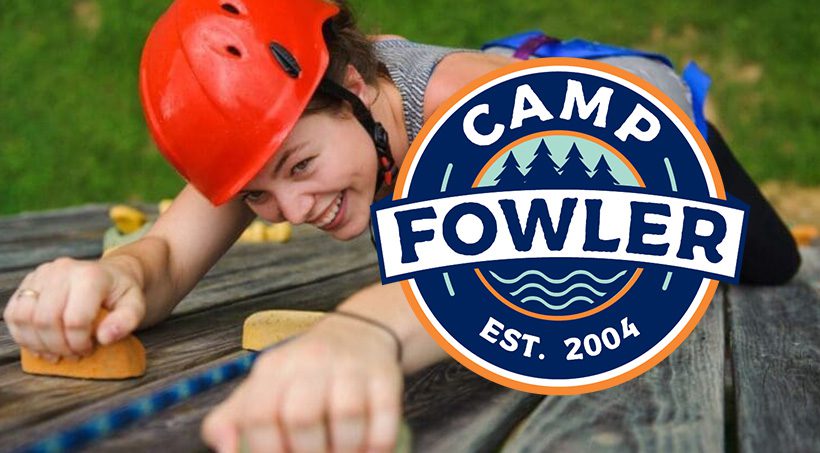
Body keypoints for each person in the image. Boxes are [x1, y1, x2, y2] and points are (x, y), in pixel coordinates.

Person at [4, 0, 800, 451]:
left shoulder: (468, 106)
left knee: (765, 265)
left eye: (302, 167)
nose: (293, 206)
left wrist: (363, 332)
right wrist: (114, 279)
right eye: (258, 196)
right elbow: (169, 251)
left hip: (642, 120)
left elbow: (497, 256)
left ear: (353, 84)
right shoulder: (292, 125)